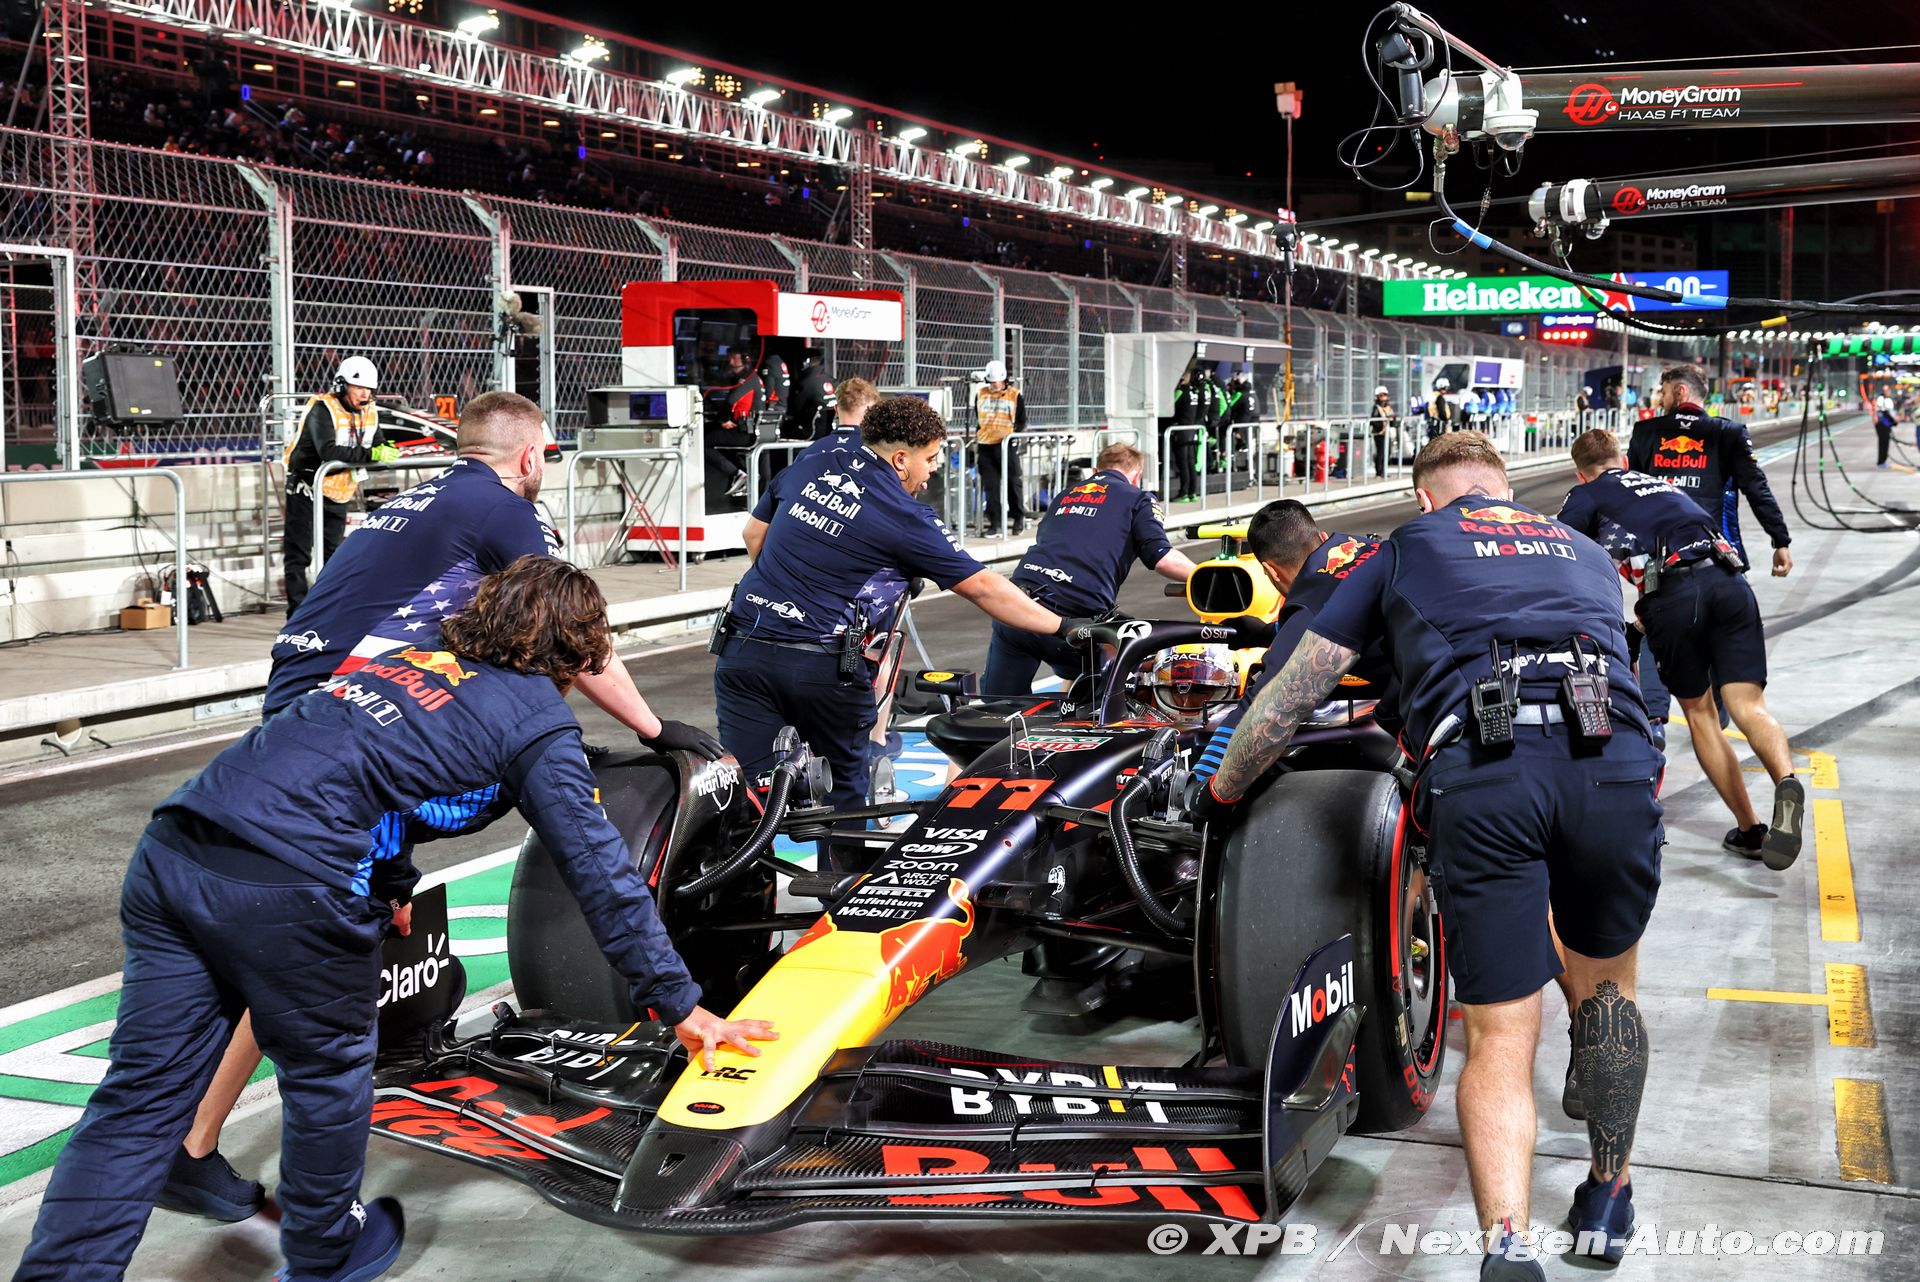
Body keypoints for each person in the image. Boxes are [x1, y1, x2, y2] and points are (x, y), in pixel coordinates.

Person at [13, 556, 775, 1282]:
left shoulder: (407, 663)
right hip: (288, 884)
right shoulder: (537, 719)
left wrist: (389, 880)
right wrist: (681, 1004)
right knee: (329, 1070)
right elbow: (601, 871)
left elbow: (372, 774)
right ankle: (326, 1253)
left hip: (177, 850)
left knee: (139, 1100)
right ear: (578, 654)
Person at [154, 391, 718, 1227]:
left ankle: (187, 1140)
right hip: (356, 717)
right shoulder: (504, 507)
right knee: (317, 947)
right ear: (528, 456)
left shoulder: (422, 497)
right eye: (544, 456)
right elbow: (566, 632)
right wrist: (653, 728)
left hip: (316, 708)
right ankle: (226, 1165)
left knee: (301, 927)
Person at [1195, 433, 1664, 1278]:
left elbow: (1298, 688)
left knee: (1502, 1033)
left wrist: (1224, 790)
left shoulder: (1407, 544)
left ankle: (1508, 1246)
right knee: (1609, 998)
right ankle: (1609, 1197)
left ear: (1424, 498)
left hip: (1489, 771)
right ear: (1506, 489)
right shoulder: (1584, 549)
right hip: (1615, 764)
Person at [717, 396, 1073, 862]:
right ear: (901, 459)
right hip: (823, 665)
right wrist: (1064, 626)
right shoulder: (904, 514)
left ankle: (734, 900)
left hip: (743, 648)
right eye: (931, 458)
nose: (934, 470)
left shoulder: (814, 461)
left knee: (747, 795)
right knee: (843, 794)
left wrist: (792, 588)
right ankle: (838, 896)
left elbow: (754, 535)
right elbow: (984, 588)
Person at [1559, 429, 1805, 868]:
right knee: (1749, 707)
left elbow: (1558, 551)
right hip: (1729, 580)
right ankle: (1786, 781)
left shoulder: (1587, 493)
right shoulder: (1661, 485)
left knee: (1701, 715)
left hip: (1674, 596)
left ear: (1581, 473)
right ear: (1622, 460)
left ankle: (1750, 830)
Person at [1191, 500, 1389, 785]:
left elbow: (1257, 709)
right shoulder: (1365, 546)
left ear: (1271, 571)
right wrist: (1268, 632)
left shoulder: (1309, 601)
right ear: (1321, 537)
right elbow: (1341, 620)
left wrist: (1199, 783)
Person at [981, 442, 1198, 696]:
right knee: (1146, 657)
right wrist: (1209, 575)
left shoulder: (1065, 494)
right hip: (1075, 617)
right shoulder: (1138, 498)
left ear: (1096, 470)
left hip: (1016, 605)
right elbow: (1162, 557)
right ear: (1136, 475)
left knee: (999, 705)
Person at [1628, 362, 1792, 577]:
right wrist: (1780, 540)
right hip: (1716, 555)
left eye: (1665, 393)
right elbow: (1757, 489)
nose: (1661, 400)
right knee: (1730, 598)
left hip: (1658, 557)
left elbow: (1628, 491)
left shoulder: (1644, 431)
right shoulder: (1729, 433)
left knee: (1655, 598)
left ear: (1680, 392)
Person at [283, 355, 394, 614]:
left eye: (369, 389)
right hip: (306, 487)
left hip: (339, 491)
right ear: (342, 385)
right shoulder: (322, 408)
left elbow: (378, 442)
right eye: (359, 387)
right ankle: (297, 614)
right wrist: (372, 455)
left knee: (333, 556)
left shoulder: (370, 410)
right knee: (299, 554)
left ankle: (327, 611)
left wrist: (386, 449)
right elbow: (328, 450)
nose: (364, 394)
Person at [974, 359, 1029, 534]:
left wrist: (1013, 437)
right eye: (992, 382)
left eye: (998, 381)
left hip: (1006, 445)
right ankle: (994, 522)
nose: (995, 385)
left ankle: (1018, 518)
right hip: (985, 445)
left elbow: (1021, 420)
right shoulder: (981, 394)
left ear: (1004, 379)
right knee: (991, 487)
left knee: (1013, 482)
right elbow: (978, 417)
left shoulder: (1015, 395)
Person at [703, 349, 765, 500]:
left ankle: (737, 474)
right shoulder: (753, 377)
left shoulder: (746, 378)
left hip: (745, 432)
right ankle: (745, 475)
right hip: (752, 429)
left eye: (733, 358)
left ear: (745, 360)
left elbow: (731, 401)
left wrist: (723, 419)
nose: (730, 362)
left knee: (703, 442)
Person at [1166, 368, 1203, 500]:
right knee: (1190, 462)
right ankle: (1192, 492)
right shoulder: (1194, 392)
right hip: (1191, 430)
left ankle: (1184, 493)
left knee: (1183, 463)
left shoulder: (1181, 392)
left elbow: (1169, 408)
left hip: (1181, 431)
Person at [1368, 386, 1397, 478]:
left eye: (1385, 395)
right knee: (1381, 452)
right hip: (1380, 433)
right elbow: (1374, 421)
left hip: (1387, 433)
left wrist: (1392, 420)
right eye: (1381, 395)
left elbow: (1393, 420)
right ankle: (1379, 471)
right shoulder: (1376, 408)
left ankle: (1383, 470)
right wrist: (1381, 424)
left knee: (1387, 452)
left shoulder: (1388, 408)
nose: (1384, 397)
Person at [1872, 388, 1898, 468]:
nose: (1889, 392)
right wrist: (1893, 421)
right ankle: (1881, 462)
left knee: (1885, 443)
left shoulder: (1886, 400)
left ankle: (1883, 460)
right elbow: (1884, 413)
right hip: (1882, 425)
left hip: (1885, 424)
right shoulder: (1881, 399)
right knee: (1883, 443)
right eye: (1887, 391)